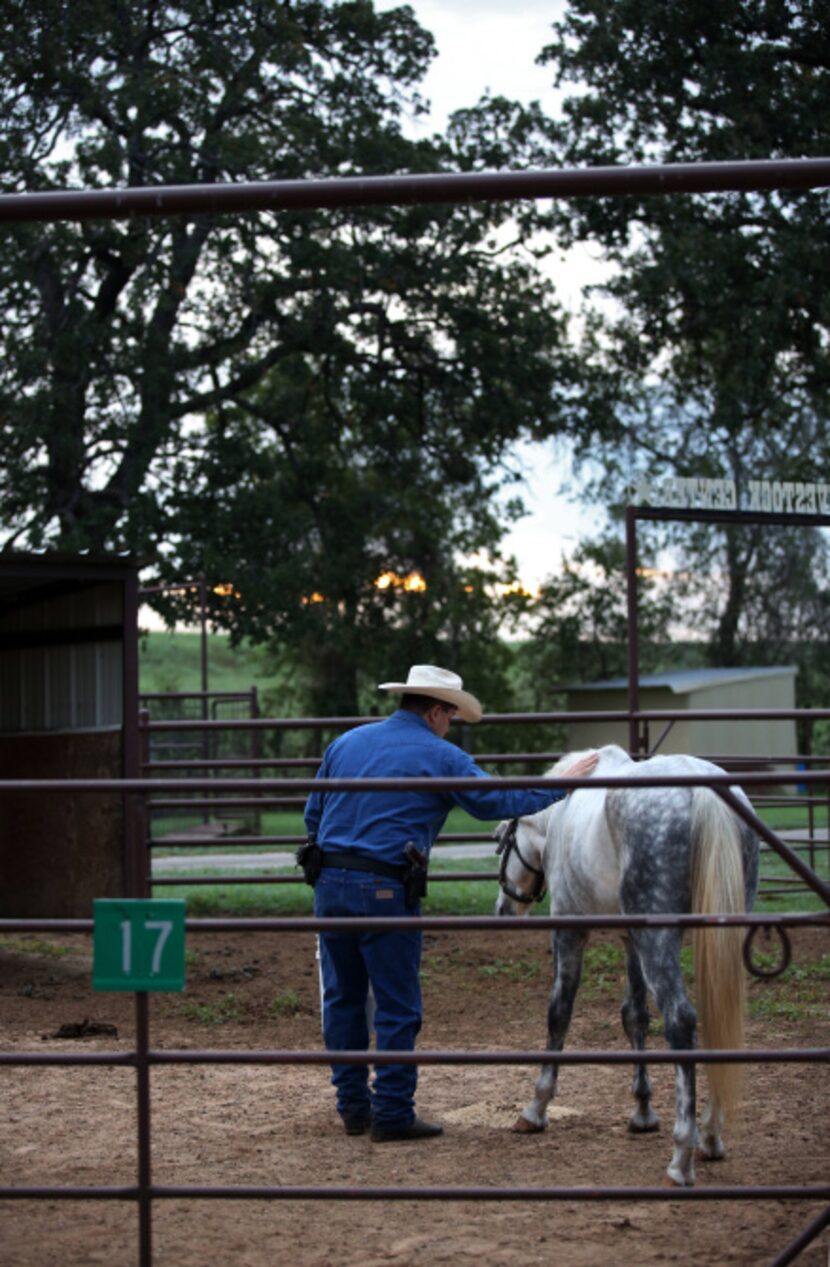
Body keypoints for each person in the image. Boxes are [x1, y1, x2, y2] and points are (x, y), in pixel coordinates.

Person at [302, 664, 599, 1143]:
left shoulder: (346, 743)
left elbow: (312, 813)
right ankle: (393, 1112)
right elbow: (495, 802)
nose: (452, 724)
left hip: (329, 884)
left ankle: (354, 1108)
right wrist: (561, 785)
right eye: (451, 715)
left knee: (344, 997)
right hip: (384, 888)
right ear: (436, 711)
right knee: (397, 1004)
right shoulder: (440, 756)